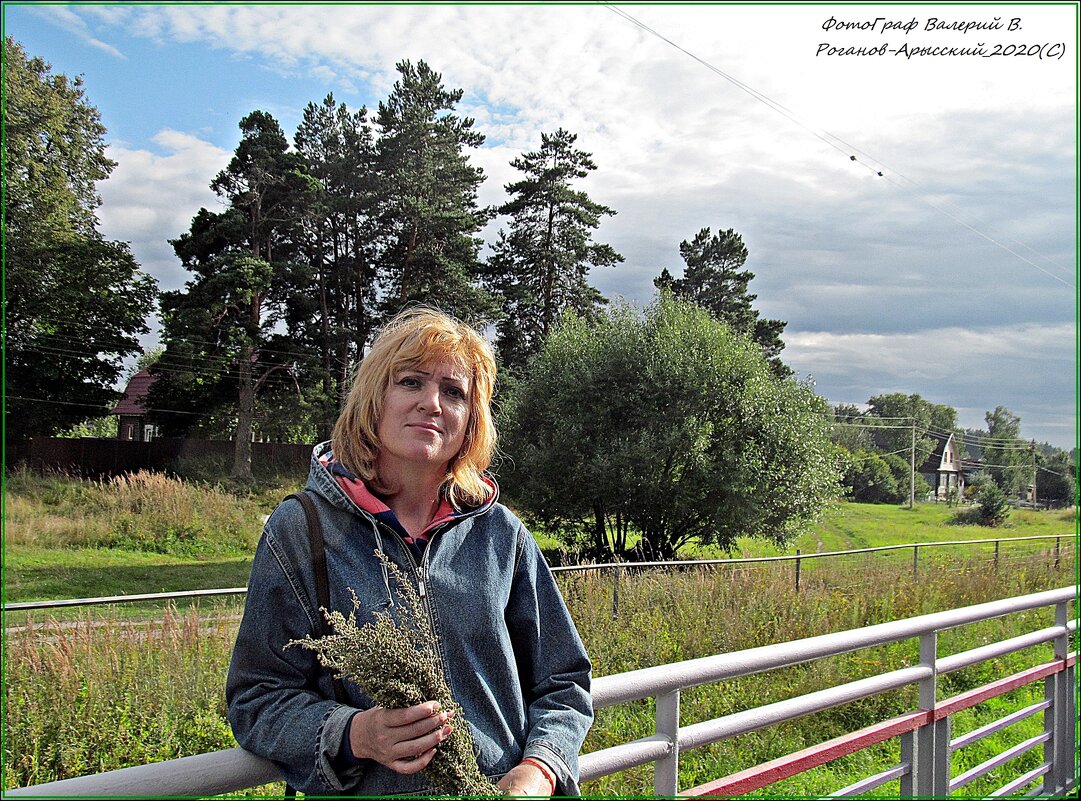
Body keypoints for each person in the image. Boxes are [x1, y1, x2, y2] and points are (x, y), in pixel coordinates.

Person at [226, 307, 593, 797]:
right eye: (411, 382)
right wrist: (354, 734)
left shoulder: (501, 534)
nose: (432, 403)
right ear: (374, 399)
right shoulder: (303, 528)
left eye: (454, 392)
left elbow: (564, 680)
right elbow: (256, 697)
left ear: (472, 420)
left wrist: (540, 768)